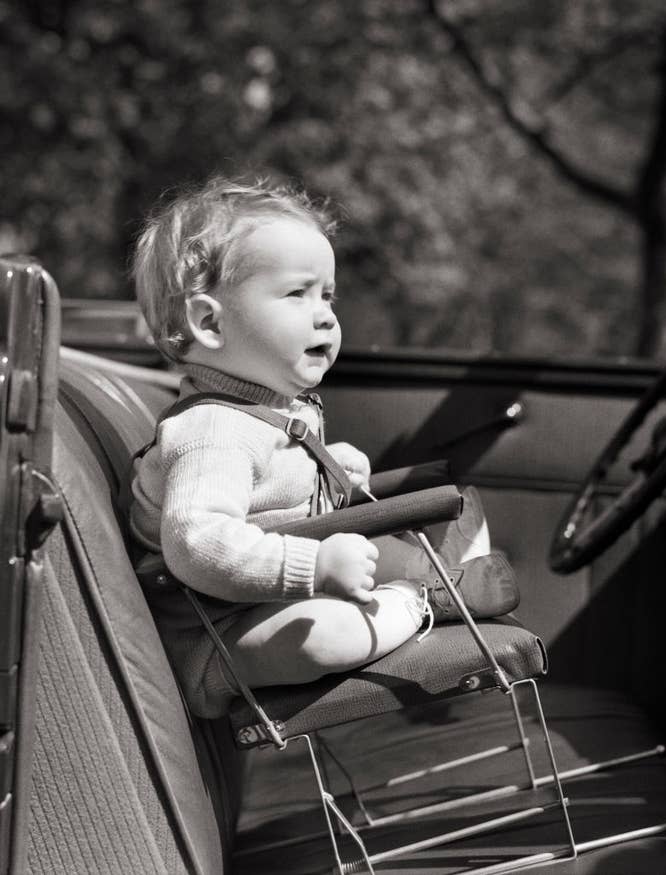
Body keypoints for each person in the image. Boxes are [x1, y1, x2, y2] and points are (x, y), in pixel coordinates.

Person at [128, 176, 518, 716]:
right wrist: (313, 567)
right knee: (325, 635)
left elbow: (276, 504)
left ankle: (444, 578)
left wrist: (331, 473)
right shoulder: (212, 432)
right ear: (210, 322)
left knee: (374, 551)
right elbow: (200, 545)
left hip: (264, 602)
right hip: (220, 639)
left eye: (328, 294)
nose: (326, 315)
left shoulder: (274, 413)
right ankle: (430, 598)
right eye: (297, 293)